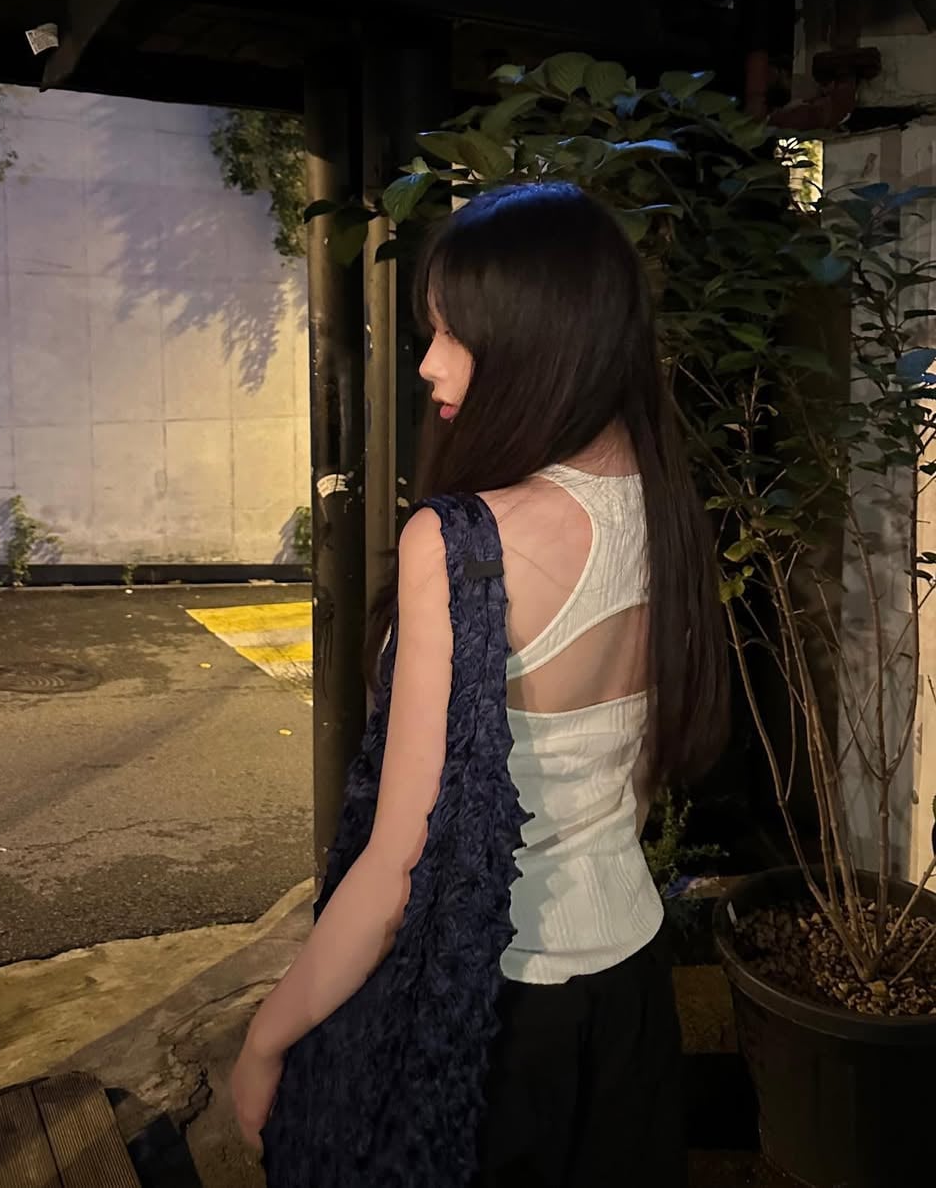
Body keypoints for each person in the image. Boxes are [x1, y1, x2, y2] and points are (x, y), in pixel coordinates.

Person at [231, 181, 728, 1186]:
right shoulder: (663, 503)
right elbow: (632, 786)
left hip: (495, 1012)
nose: (428, 363)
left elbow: (398, 868)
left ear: (538, 340)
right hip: (632, 989)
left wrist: (265, 1038)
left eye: (453, 333)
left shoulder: (465, 542)